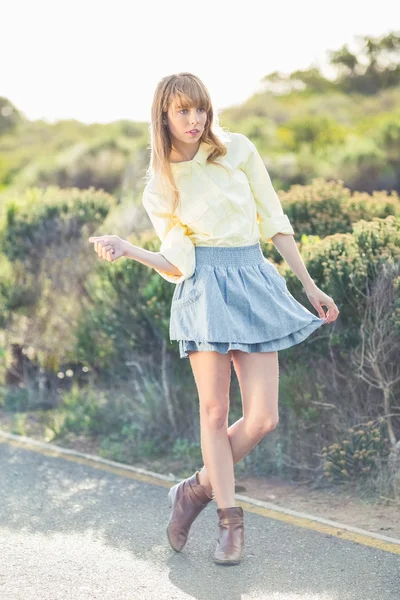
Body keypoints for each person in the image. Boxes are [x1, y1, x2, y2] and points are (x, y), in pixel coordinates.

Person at [89, 72, 340, 566]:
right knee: (214, 412)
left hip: (253, 278)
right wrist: (130, 248)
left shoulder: (238, 150)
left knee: (264, 416)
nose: (194, 119)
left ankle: (195, 490)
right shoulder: (160, 187)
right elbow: (179, 261)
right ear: (163, 115)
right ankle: (230, 521)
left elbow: (274, 219)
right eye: (182, 110)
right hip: (203, 290)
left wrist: (309, 284)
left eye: (200, 108)